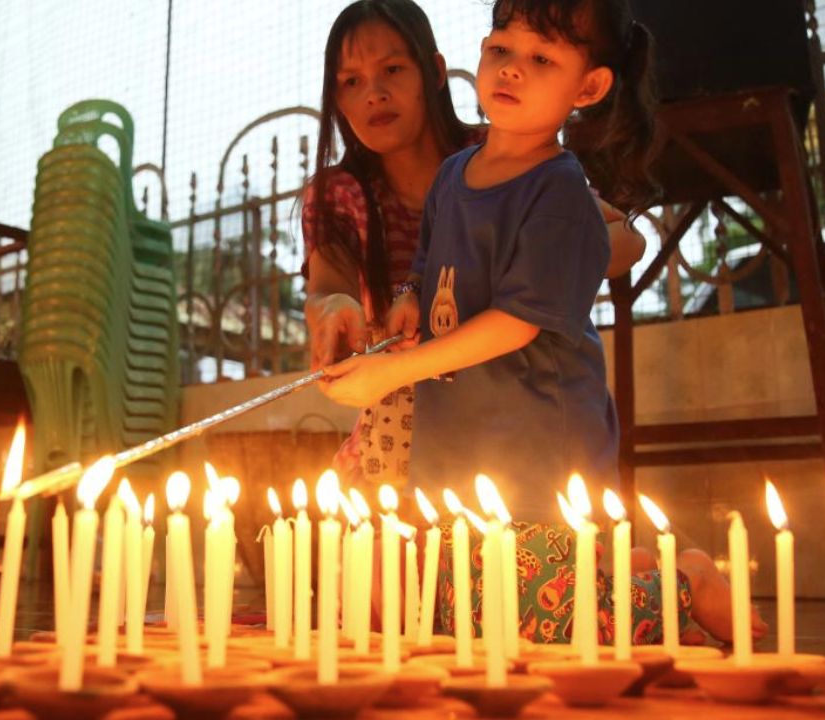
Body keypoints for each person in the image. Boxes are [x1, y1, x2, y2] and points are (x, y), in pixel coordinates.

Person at [322, 0, 765, 646]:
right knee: (447, 611)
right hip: (456, 451)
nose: (511, 71)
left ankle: (683, 582)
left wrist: (392, 371)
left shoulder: (557, 190)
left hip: (538, 451)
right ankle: (625, 574)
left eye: (541, 59)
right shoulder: (453, 177)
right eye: (502, 49)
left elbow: (515, 324)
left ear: (588, 87)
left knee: (538, 617)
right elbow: (427, 260)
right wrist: (414, 297)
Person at [302, 0, 645, 493]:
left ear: (434, 71)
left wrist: (529, 260)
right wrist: (364, 301)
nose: (373, 94)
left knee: (546, 560)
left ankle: (680, 574)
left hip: (525, 420)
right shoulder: (400, 184)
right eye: (350, 81)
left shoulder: (522, 155)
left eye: (392, 69)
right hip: (433, 424)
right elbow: (339, 284)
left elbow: (625, 240)